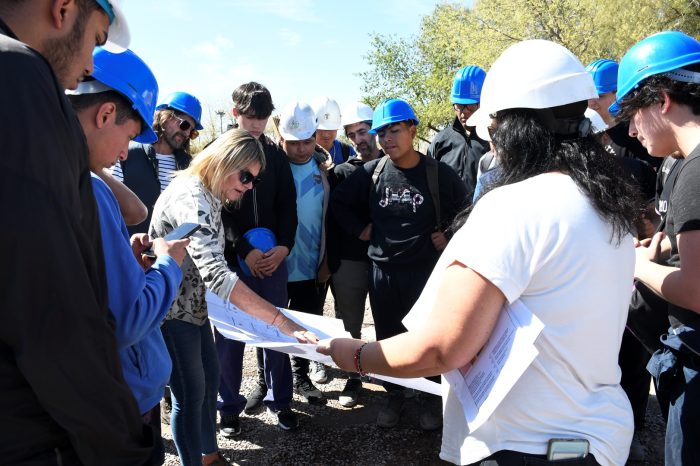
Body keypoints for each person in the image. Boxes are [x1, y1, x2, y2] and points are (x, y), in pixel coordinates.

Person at [321, 39, 640, 466]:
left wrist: (355, 355)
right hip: (598, 440)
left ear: (508, 129)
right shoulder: (608, 205)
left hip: (521, 444)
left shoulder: (513, 206)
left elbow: (441, 348)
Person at [0, 1, 159, 464]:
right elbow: (54, 315)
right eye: (96, 39)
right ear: (64, 8)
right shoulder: (20, 72)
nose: (90, 63)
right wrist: (126, 448)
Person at [149, 128, 316, 466]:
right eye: (245, 176)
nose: (249, 186)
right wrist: (281, 321)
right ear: (225, 161)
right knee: (189, 395)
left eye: (253, 180)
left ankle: (210, 456)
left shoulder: (210, 194)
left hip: (194, 307)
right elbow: (216, 275)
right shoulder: (192, 198)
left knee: (209, 385)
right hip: (172, 310)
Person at [68, 46, 189, 466]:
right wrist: (169, 264)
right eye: (127, 136)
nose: (124, 154)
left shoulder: (56, 176)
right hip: (123, 399)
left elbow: (134, 215)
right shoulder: (88, 191)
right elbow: (128, 320)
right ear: (104, 115)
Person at [331, 98, 468, 430]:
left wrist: (448, 234)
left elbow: (468, 208)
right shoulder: (372, 172)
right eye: (382, 133)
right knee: (389, 337)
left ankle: (429, 399)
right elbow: (338, 203)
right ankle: (394, 395)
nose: (387, 139)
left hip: (425, 274)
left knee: (425, 338)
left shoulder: (437, 173)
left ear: (412, 130)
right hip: (383, 274)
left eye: (394, 130)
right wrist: (359, 230)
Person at [616, 31, 700, 466]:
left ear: (663, 100)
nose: (631, 129)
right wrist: (663, 243)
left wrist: (636, 264)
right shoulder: (681, 166)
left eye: (634, 114)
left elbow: (696, 289)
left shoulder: (694, 172)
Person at [215, 82, 299, 434]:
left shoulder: (276, 156)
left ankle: (280, 402)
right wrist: (244, 251)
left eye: (262, 118)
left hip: (273, 259)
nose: (256, 125)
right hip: (232, 260)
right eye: (250, 117)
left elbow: (287, 206)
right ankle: (228, 407)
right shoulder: (217, 152)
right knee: (229, 336)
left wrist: (284, 247)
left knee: (277, 329)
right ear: (235, 113)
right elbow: (218, 209)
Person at [277, 101, 333, 404]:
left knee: (304, 321)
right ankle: (272, 382)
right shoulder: (271, 168)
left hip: (311, 263)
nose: (301, 149)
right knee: (272, 322)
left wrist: (327, 259)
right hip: (276, 264)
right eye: (294, 143)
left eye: (307, 142)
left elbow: (330, 220)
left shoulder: (325, 170)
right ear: (281, 139)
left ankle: (300, 375)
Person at [326, 102, 381, 407]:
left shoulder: (398, 165)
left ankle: (396, 379)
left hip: (389, 262)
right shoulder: (341, 173)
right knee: (350, 324)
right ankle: (353, 376)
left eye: (363, 131)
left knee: (392, 322)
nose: (359, 139)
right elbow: (332, 218)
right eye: (352, 135)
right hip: (350, 261)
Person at [113, 91, 203, 234]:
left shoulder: (190, 167)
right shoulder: (126, 154)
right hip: (130, 250)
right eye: (184, 125)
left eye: (192, 132)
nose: (186, 134)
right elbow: (109, 206)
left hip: (171, 253)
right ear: (165, 117)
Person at [427, 65, 490, 201]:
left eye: (471, 105)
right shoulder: (440, 141)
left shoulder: (495, 141)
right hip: (448, 220)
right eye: (459, 105)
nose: (464, 111)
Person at [586, 58, 661, 171]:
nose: (591, 103)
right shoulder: (585, 133)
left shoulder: (639, 134)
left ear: (620, 95)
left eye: (599, 96)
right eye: (587, 96)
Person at [313, 96, 356, 165]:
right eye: (321, 129)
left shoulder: (347, 151)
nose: (326, 134)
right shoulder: (303, 152)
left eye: (330, 129)